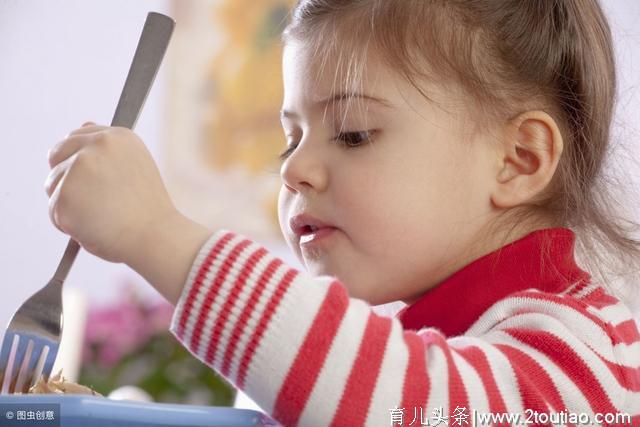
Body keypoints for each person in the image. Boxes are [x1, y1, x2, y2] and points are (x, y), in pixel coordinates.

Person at [45, 0, 640, 425]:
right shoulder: (442, 339)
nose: (293, 170)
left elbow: (401, 403)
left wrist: (155, 234)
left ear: (518, 159)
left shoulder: (582, 359)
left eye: (353, 134)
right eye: (289, 139)